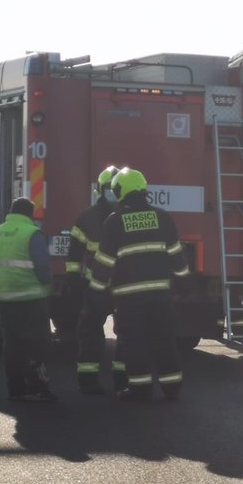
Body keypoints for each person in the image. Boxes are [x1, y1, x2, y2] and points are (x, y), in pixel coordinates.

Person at [88, 168, 191, 402]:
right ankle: (172, 386)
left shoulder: (114, 222)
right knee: (165, 339)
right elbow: (177, 256)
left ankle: (141, 390)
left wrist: (96, 293)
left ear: (121, 191)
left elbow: (104, 262)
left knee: (135, 343)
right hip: (160, 296)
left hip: (129, 299)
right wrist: (185, 284)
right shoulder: (163, 217)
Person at [0, 197, 55, 402]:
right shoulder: (32, 233)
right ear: (30, 214)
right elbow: (42, 267)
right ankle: (37, 388)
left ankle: (16, 389)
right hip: (32, 297)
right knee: (37, 343)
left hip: (4, 298)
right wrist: (49, 284)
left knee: (12, 344)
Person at [66, 164, 124, 395]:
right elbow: (74, 254)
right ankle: (91, 380)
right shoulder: (87, 218)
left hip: (109, 287)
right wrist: (72, 280)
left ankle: (118, 379)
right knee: (91, 335)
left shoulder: (91, 216)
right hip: (104, 287)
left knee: (125, 335)